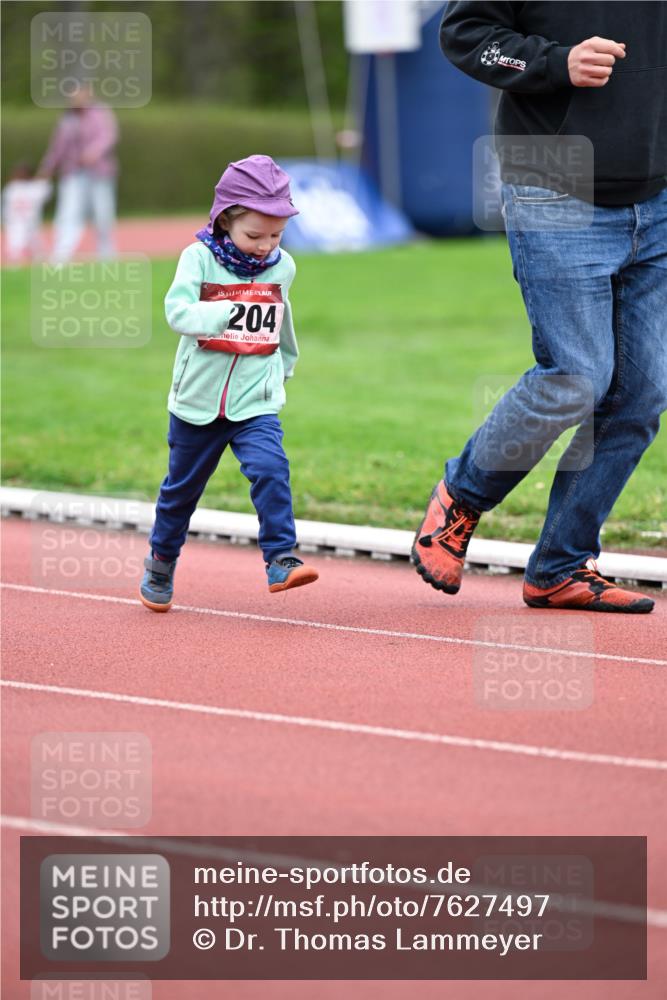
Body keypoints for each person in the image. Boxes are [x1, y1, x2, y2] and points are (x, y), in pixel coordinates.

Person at [413, 1, 666, 614]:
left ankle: (561, 565)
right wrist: (556, 62)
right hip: (554, 187)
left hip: (657, 199)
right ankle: (461, 498)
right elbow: (465, 33)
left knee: (641, 394)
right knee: (576, 376)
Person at [140, 154, 319, 612]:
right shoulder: (197, 258)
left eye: (276, 235)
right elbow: (178, 313)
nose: (266, 246)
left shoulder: (283, 267)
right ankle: (161, 561)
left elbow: (282, 320)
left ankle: (281, 558)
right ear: (224, 222)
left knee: (270, 470)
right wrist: (227, 309)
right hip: (197, 403)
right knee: (180, 494)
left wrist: (286, 365)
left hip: (254, 400)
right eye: (254, 235)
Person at [37, 82, 118, 263]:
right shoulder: (67, 119)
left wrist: (93, 152)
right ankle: (61, 257)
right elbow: (57, 147)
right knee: (68, 213)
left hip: (99, 174)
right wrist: (47, 168)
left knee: (103, 215)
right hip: (73, 173)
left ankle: (107, 257)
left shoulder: (100, 112)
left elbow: (108, 136)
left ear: (87, 93)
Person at [1, 162, 52, 265]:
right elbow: (46, 189)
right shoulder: (35, 188)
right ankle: (18, 264)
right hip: (25, 222)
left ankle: (16, 264)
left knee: (19, 245)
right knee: (26, 246)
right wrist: (42, 177)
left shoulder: (10, 188)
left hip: (17, 222)